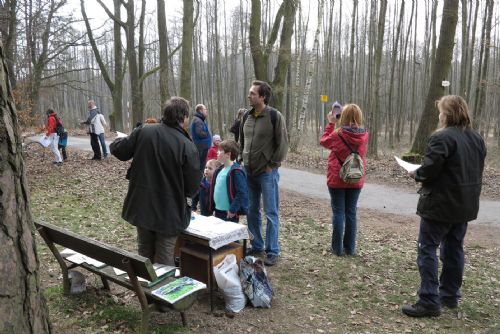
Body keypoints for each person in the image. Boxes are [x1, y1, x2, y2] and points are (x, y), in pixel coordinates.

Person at [401, 95, 486, 318]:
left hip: (440, 204)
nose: (439, 115)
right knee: (454, 248)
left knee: (427, 248)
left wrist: (416, 173)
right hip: (464, 204)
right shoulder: (476, 138)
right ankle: (449, 295)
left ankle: (429, 300)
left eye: (440, 111)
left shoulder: (442, 138)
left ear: (447, 114)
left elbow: (430, 169)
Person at [110, 97, 201, 266]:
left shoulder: (144, 131)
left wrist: (119, 139)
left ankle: (145, 290)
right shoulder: (187, 146)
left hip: (143, 206)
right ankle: (156, 291)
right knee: (165, 259)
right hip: (169, 212)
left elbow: (119, 150)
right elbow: (193, 186)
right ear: (184, 117)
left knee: (145, 253)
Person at [240, 80, 288, 266]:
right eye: (250, 92)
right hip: (248, 171)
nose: (249, 95)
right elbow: (243, 140)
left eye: (253, 93)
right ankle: (257, 245)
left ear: (262, 97)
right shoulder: (246, 116)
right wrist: (241, 159)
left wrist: (273, 164)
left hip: (267, 173)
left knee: (271, 212)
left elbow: (283, 144)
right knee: (252, 210)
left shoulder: (275, 116)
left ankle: (272, 250)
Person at [320, 104, 368, 256]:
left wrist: (331, 123)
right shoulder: (364, 134)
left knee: (339, 212)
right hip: (356, 178)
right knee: (351, 213)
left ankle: (337, 249)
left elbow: (323, 141)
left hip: (337, 177)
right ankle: (350, 248)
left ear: (343, 117)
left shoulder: (337, 134)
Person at [210, 140, 248, 223]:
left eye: (220, 151)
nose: (217, 152)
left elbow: (241, 192)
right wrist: (213, 208)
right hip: (217, 211)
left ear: (228, 154)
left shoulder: (236, 171)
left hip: (229, 213)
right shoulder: (219, 170)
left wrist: (233, 210)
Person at [190, 104, 212, 171]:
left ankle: (201, 178)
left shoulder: (199, 119)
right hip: (201, 147)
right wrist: (208, 133)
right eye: (205, 109)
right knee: (200, 166)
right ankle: (200, 180)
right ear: (200, 110)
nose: (206, 111)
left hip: (203, 147)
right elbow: (199, 133)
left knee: (202, 165)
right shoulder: (197, 120)